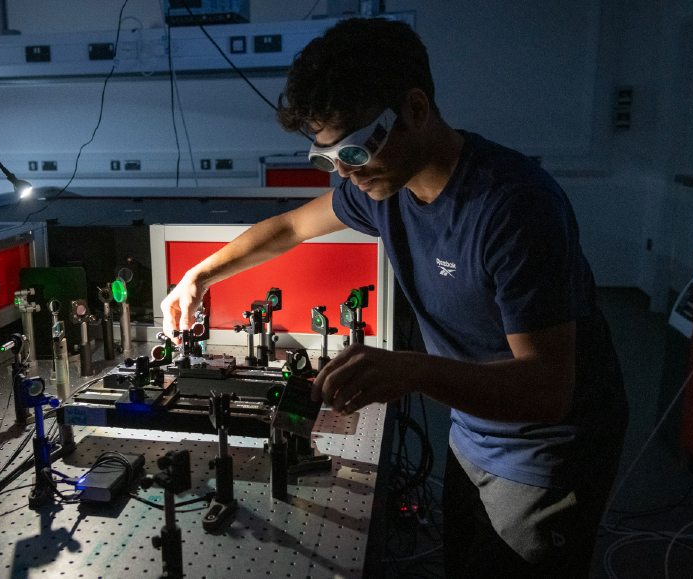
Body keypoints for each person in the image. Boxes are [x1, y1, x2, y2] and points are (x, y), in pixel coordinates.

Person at [160, 17, 627, 578]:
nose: (345, 173)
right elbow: (287, 229)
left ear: (415, 108)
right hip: (473, 430)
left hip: (546, 449)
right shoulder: (386, 189)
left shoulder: (512, 207)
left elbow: (547, 389)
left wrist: (412, 371)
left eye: (354, 151)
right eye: (328, 159)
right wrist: (198, 277)